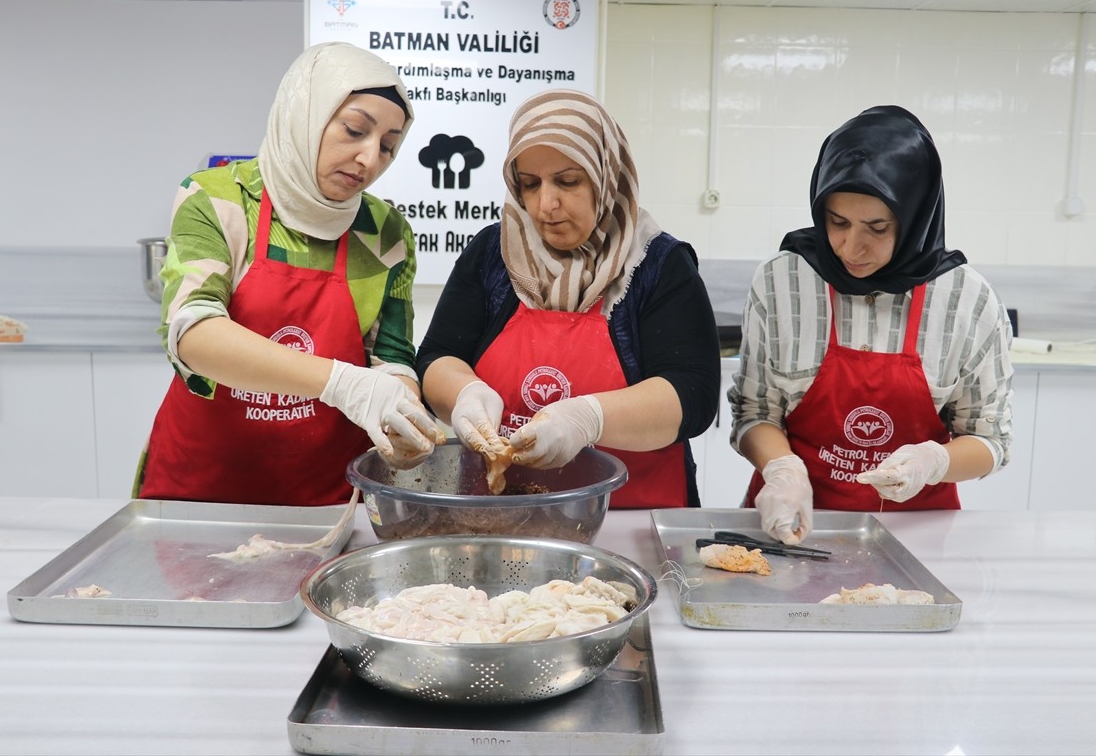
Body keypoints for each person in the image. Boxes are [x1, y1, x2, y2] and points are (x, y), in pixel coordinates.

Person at [135, 42, 443, 506]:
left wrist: (399, 414)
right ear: (307, 113)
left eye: (387, 147)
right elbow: (193, 333)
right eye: (354, 130)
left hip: (322, 493)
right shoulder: (217, 198)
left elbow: (391, 355)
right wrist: (342, 383)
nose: (368, 159)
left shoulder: (384, 231)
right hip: (202, 488)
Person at [415, 90, 720, 508]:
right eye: (529, 185)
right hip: (499, 516)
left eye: (568, 181)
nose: (546, 205)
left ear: (605, 176)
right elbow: (437, 357)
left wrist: (587, 418)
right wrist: (463, 392)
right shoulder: (492, 253)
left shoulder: (658, 265)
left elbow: (693, 395)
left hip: (630, 521)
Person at [730, 105, 1013, 543]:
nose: (850, 247)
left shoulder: (966, 301)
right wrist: (783, 471)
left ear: (916, 217)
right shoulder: (783, 281)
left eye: (877, 228)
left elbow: (991, 439)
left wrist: (933, 462)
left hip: (917, 535)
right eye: (837, 222)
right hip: (796, 527)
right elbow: (754, 413)